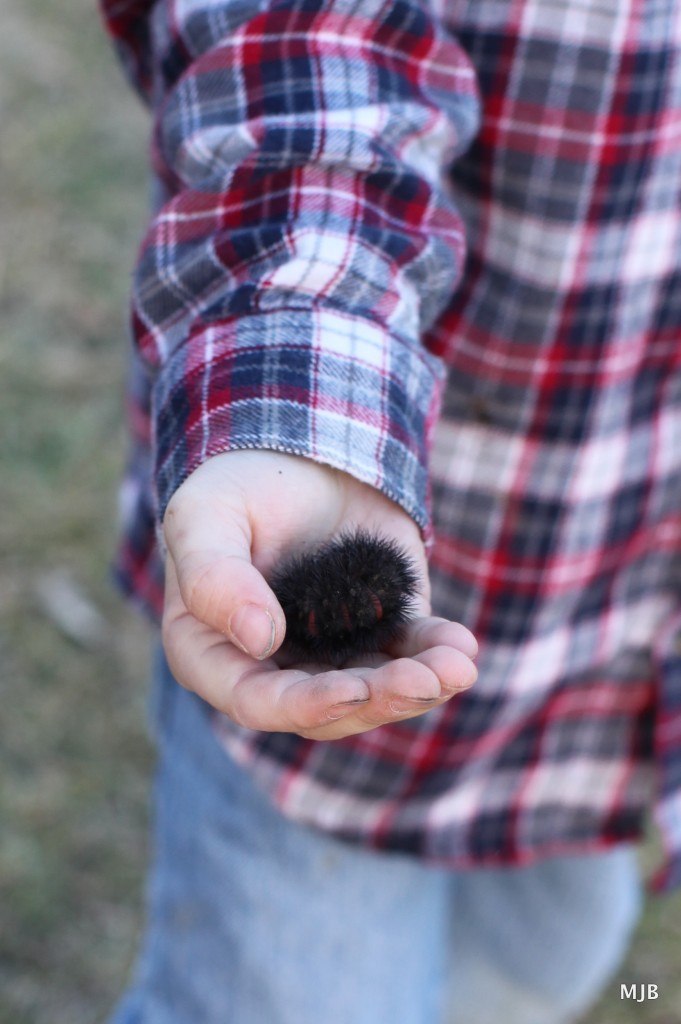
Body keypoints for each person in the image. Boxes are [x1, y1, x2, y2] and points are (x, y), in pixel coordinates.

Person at [100, 0, 681, 1020]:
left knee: (548, 959)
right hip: (345, 687)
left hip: (616, 632)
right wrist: (294, 380)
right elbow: (300, 50)